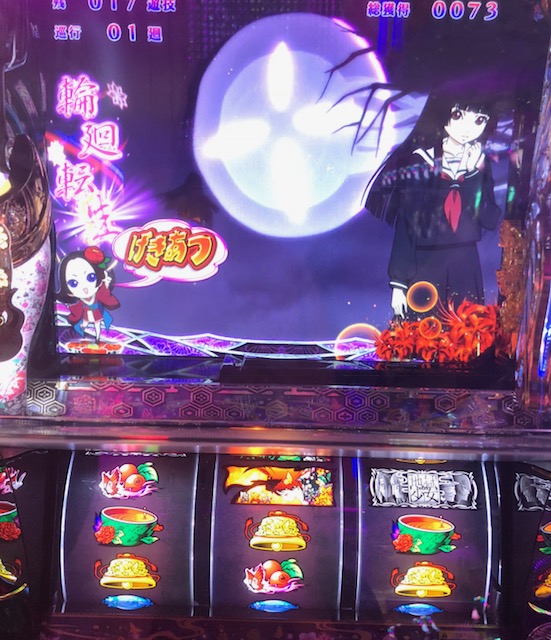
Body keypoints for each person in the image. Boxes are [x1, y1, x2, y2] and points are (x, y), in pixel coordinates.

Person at [365, 89, 501, 319]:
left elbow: (489, 219)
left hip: (465, 262)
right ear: (442, 112)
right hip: (426, 263)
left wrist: (471, 175)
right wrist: (399, 283)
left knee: (466, 332)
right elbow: (408, 223)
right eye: (458, 115)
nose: (467, 128)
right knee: (425, 332)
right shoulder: (422, 159)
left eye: (479, 120)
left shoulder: (479, 164)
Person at [57, 246, 120, 342]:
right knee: (84, 324)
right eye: (74, 283)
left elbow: (104, 294)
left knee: (97, 326)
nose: (84, 287)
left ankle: (98, 338)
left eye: (91, 277)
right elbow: (76, 308)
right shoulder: (80, 301)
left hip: (96, 312)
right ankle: (83, 334)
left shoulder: (98, 294)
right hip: (86, 314)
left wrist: (106, 283)